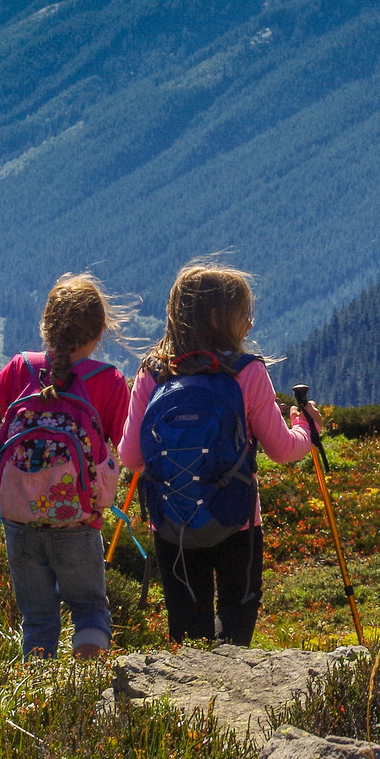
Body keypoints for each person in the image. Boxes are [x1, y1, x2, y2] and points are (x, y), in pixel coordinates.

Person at [121, 262, 317, 645]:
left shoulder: (153, 372)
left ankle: (187, 702)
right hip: (237, 521)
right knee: (236, 621)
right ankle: (231, 700)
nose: (250, 324)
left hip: (173, 524)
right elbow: (282, 449)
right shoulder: (247, 372)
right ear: (217, 317)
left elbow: (131, 458)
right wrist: (307, 428)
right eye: (244, 313)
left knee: (186, 628)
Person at [0, 272, 133, 660]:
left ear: (46, 326)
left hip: (19, 523)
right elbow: (131, 452)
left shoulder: (20, 369)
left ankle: (40, 703)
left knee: (37, 619)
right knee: (89, 610)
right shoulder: (109, 381)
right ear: (101, 330)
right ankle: (84, 694)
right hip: (79, 523)